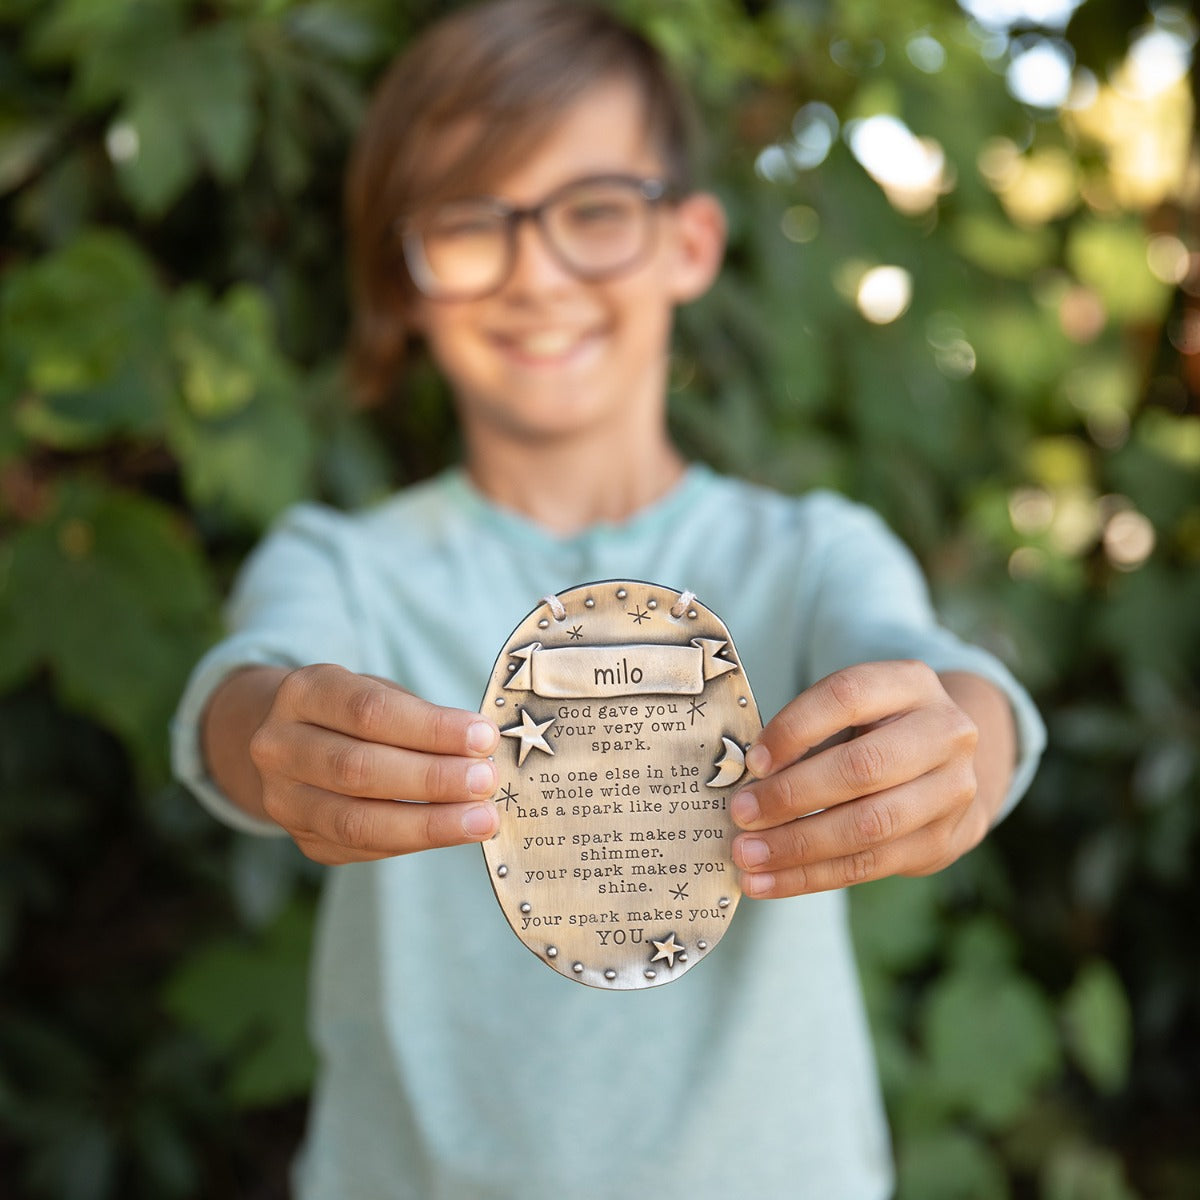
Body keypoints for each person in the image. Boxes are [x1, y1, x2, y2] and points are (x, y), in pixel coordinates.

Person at [171, 2, 1045, 1196]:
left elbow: (941, 683)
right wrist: (274, 740)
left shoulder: (811, 555)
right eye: (470, 223)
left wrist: (957, 751)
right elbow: (247, 699)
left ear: (690, 242)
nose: (536, 274)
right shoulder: (342, 566)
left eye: (592, 211)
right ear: (408, 275)